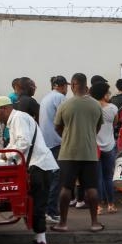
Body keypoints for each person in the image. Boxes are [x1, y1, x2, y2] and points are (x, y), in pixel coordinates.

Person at [0, 96, 58, 244]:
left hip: (40, 166)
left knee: (38, 206)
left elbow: (23, 143)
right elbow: (14, 145)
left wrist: (7, 157)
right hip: (36, 166)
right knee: (34, 206)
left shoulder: (18, 118)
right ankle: (38, 240)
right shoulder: (15, 121)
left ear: (4, 109)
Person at [53, 73, 104, 232]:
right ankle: (95, 223)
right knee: (91, 188)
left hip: (68, 153)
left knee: (66, 188)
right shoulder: (96, 105)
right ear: (85, 85)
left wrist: (68, 136)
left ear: (74, 84)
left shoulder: (65, 105)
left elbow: (57, 127)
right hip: (89, 153)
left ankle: (62, 223)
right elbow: (97, 127)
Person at [38, 75, 68, 224]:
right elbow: (66, 119)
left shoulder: (46, 98)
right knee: (57, 178)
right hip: (57, 142)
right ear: (62, 86)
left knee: (51, 178)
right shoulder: (60, 98)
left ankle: (47, 210)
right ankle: (51, 211)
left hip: (47, 142)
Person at [91, 81, 119, 214]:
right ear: (104, 94)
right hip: (109, 145)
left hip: (94, 146)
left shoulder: (90, 108)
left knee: (97, 177)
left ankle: (98, 206)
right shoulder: (113, 108)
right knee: (108, 177)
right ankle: (111, 204)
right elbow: (115, 123)